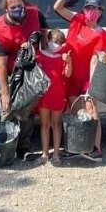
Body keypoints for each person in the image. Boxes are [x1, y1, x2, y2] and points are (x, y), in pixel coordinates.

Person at [0, 0, 48, 160]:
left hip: (30, 70)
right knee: (9, 110)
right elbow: (1, 64)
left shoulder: (35, 14)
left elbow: (43, 32)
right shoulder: (0, 30)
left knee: (27, 111)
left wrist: (43, 48)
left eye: (20, 6)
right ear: (6, 9)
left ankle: (24, 148)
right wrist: (5, 92)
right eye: (13, 7)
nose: (19, 10)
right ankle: (7, 147)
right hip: (11, 73)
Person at [54, 0, 106, 162]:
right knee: (76, 111)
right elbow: (58, 8)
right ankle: (79, 146)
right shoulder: (77, 20)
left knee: (92, 110)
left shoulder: (103, 35)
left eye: (94, 8)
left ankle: (96, 149)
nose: (90, 11)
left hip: (88, 77)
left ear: (100, 11)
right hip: (72, 75)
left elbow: (95, 61)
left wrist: (91, 87)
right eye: (88, 8)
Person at [35, 29, 71, 165]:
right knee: (44, 124)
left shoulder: (63, 57)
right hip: (44, 95)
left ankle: (56, 154)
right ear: (47, 40)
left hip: (57, 94)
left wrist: (68, 62)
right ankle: (44, 153)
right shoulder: (39, 56)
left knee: (56, 124)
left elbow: (67, 74)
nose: (56, 45)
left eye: (60, 42)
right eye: (54, 41)